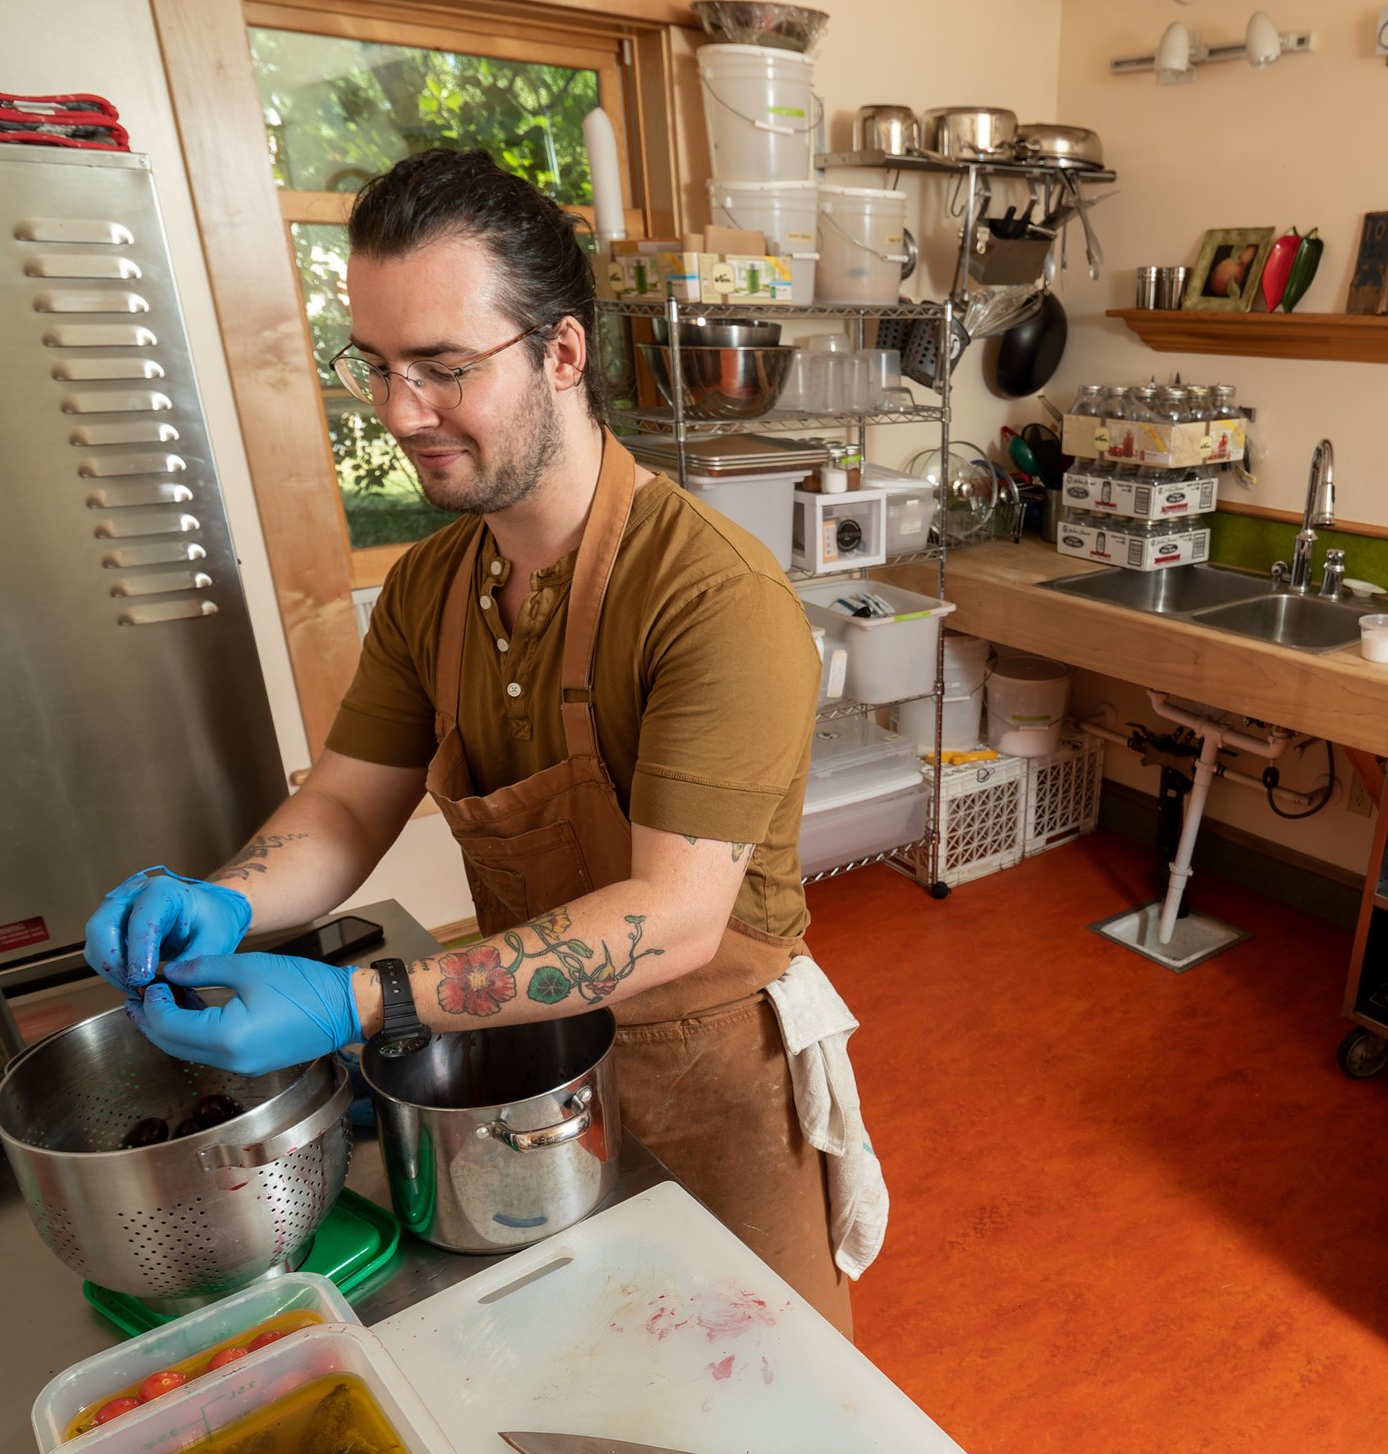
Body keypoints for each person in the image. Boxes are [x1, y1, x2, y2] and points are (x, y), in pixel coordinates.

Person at [82, 149, 883, 1333]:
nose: (402, 413)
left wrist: (359, 1001)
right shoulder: (432, 588)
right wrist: (229, 900)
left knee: (765, 1383)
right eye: (381, 369)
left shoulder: (712, 599)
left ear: (562, 354)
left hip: (716, 1075)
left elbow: (671, 913)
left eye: (444, 369)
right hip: (525, 1065)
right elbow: (351, 801)